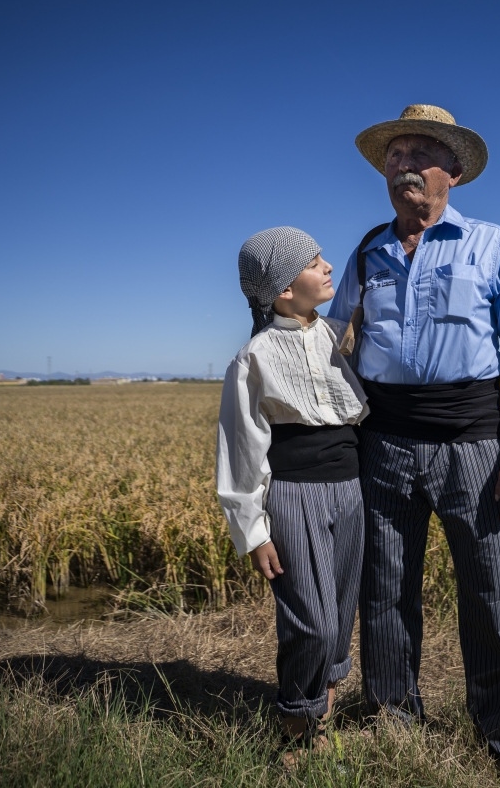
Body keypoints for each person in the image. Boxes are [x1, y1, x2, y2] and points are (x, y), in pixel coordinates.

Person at [328, 105, 500, 788]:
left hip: (474, 446)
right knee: (386, 590)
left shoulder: (493, 244)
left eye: (420, 152)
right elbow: (330, 340)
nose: (403, 165)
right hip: (385, 444)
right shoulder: (368, 249)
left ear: (453, 171)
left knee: (491, 595)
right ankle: (393, 721)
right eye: (394, 155)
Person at [216, 227, 369, 765]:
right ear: (283, 289)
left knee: (341, 608)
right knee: (310, 619)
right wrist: (254, 533)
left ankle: (318, 716)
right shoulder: (253, 358)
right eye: (314, 262)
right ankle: (292, 725)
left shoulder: (336, 334)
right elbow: (243, 453)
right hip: (294, 495)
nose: (328, 267)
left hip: (351, 491)